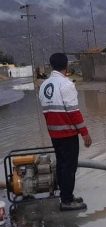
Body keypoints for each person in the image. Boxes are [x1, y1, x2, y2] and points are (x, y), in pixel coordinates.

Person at [39, 53, 92, 211]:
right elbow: (74, 112)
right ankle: (67, 201)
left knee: (62, 166)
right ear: (66, 66)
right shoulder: (66, 84)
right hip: (68, 134)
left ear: (51, 65)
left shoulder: (44, 85)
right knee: (69, 167)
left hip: (54, 134)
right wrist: (85, 133)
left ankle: (66, 195)